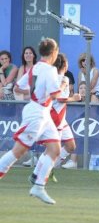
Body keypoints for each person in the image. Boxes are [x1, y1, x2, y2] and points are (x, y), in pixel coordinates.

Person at [0, 38, 62, 205]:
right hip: (37, 112)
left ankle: (39, 186)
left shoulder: (35, 68)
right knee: (18, 152)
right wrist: (65, 91)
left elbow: (18, 87)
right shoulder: (50, 70)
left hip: (42, 111)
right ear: (54, 52)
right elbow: (56, 94)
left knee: (55, 149)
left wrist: (35, 91)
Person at [28, 53, 81, 183]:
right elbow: (59, 98)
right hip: (54, 117)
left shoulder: (59, 78)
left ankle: (48, 168)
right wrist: (74, 99)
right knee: (51, 149)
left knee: (71, 146)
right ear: (64, 65)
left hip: (61, 118)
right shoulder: (61, 79)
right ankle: (36, 175)